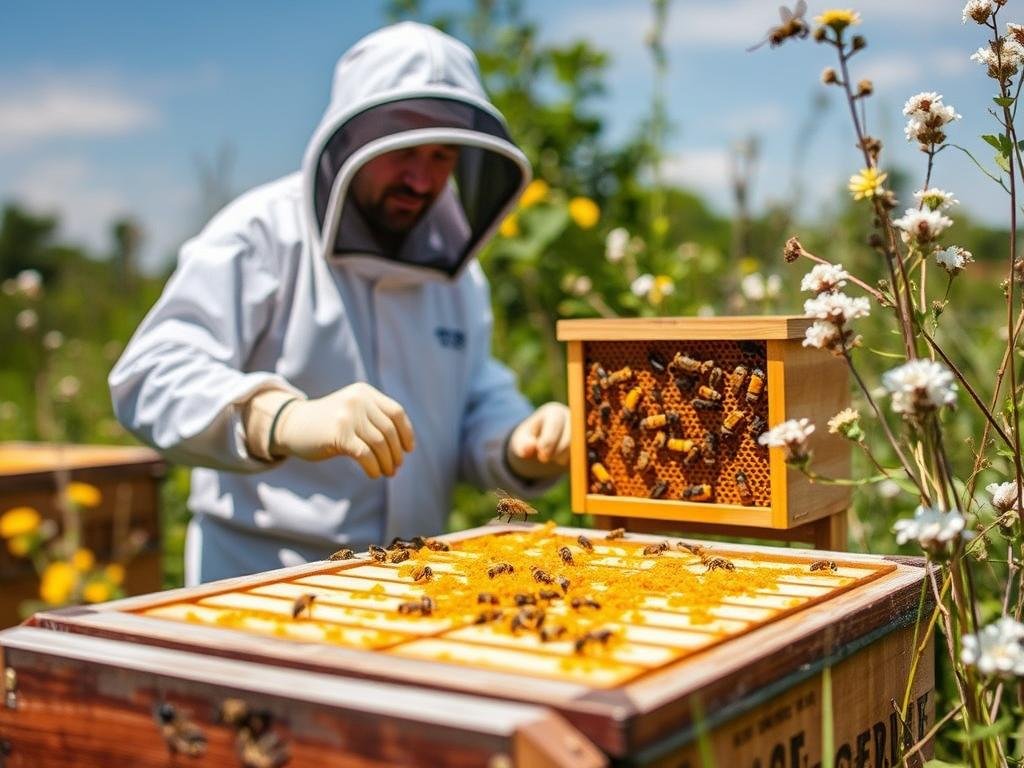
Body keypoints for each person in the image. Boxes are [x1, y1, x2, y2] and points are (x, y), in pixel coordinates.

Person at [109, 22, 571, 585]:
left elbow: (473, 396)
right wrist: (284, 418)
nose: (420, 179)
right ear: (351, 141)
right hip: (263, 580)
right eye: (403, 149)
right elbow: (148, 376)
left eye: (442, 155)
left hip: (412, 578)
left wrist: (517, 442)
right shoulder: (260, 234)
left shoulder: (456, 273)